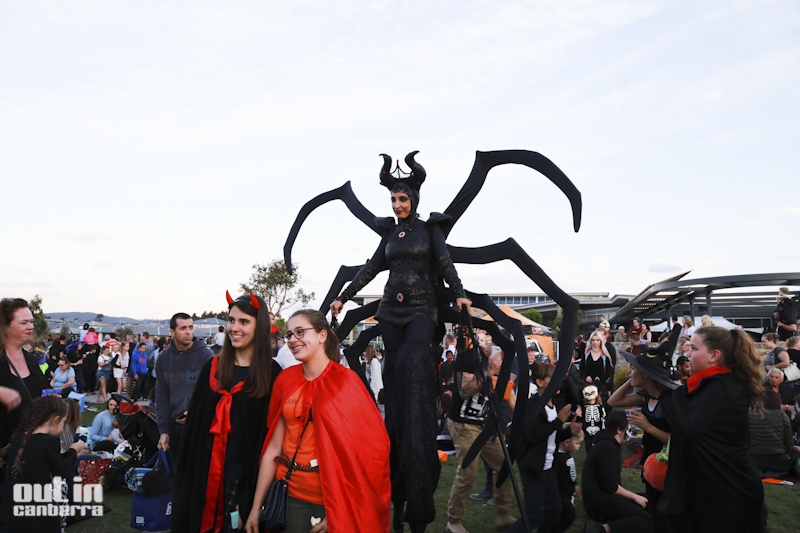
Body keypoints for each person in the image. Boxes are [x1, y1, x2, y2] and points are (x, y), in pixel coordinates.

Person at [329, 153, 470, 532]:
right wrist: (344, 296)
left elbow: (445, 263)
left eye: (402, 198)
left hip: (422, 309)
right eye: (393, 199)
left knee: (412, 365)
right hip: (391, 309)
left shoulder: (430, 229)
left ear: (414, 199)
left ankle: (418, 480)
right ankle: (393, 483)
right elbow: (371, 268)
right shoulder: (390, 234)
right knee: (394, 382)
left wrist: (459, 293)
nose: (397, 204)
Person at [245, 309, 390, 533]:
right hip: (289, 493)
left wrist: (340, 512)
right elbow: (274, 447)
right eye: (289, 334)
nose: (292, 340)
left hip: (332, 497)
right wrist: (256, 508)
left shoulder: (346, 382)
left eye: (300, 332)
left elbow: (370, 454)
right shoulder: (285, 380)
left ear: (322, 335)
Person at [172, 294, 279, 533]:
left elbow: (270, 439)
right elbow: (194, 432)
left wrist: (250, 496)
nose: (234, 328)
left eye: (244, 322)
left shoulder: (271, 374)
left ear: (259, 326)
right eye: (231, 320)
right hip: (204, 475)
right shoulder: (212, 368)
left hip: (242, 481)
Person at [657, 326, 765, 532]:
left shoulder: (724, 388)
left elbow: (691, 428)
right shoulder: (713, 385)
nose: (688, 353)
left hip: (729, 493)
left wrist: (668, 394)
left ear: (714, 356)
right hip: (716, 490)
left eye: (694, 348)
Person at [445, 342, 516, 533]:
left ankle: (502, 515)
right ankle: (453, 521)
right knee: (467, 471)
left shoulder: (501, 363)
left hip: (485, 424)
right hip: (464, 424)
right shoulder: (470, 358)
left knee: (504, 466)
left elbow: (509, 396)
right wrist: (488, 372)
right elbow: (464, 391)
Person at [609, 344, 678, 521]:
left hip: (668, 464)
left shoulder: (670, 401)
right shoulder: (646, 397)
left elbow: (679, 440)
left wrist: (648, 427)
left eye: (633, 368)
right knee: (654, 506)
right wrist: (630, 380)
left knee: (666, 511)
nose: (630, 372)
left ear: (646, 374)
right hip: (650, 459)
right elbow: (613, 401)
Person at [509, 362, 579, 533]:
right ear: (540, 382)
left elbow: (552, 436)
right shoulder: (532, 406)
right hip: (533, 466)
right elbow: (533, 436)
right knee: (532, 516)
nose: (558, 381)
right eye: (552, 378)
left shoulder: (553, 404)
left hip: (547, 466)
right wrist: (558, 421)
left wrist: (569, 431)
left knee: (554, 508)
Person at [0, 395, 85, 532]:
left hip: (13, 511)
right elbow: (61, 471)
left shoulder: (21, 438)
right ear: (55, 420)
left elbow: (42, 461)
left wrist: (68, 455)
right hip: (38, 514)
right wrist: (73, 452)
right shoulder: (48, 441)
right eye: (63, 422)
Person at [154, 312, 213, 464]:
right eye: (183, 328)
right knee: (168, 474)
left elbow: (214, 395)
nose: (188, 332)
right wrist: (163, 431)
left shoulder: (207, 356)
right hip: (173, 428)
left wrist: (197, 412)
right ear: (172, 332)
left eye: (191, 327)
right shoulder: (163, 358)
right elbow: (161, 396)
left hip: (200, 426)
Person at [581, 411, 653, 533]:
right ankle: (600, 529)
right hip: (599, 504)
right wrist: (635, 497)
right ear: (619, 430)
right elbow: (610, 486)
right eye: (627, 428)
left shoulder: (609, 443)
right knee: (648, 521)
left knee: (649, 499)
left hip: (608, 497)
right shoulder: (606, 448)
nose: (629, 432)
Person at [0, 298, 49, 454]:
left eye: (31, 322)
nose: (31, 327)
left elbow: (42, 391)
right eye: (24, 323)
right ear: (5, 327)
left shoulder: (30, 360)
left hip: (29, 451)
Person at [748, 389, 800, 477]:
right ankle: (776, 472)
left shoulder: (750, 415)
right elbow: (788, 442)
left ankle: (758, 471)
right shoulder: (781, 415)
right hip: (777, 460)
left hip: (755, 459)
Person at [552, 432, 583, 533]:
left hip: (569, 492)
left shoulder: (567, 454)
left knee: (563, 514)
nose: (579, 446)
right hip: (562, 494)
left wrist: (575, 484)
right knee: (570, 515)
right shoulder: (557, 459)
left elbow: (570, 472)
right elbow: (555, 479)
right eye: (577, 443)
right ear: (567, 442)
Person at [580, 330, 614, 403]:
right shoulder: (586, 353)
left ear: (600, 341)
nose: (595, 342)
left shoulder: (605, 355)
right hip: (588, 386)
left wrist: (601, 378)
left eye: (597, 340)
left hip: (601, 387)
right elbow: (581, 368)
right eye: (593, 340)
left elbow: (609, 371)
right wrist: (586, 376)